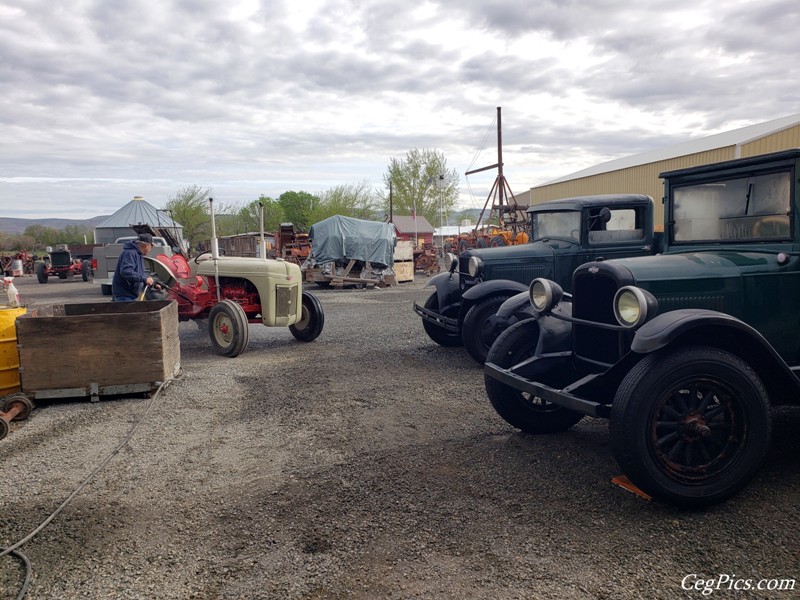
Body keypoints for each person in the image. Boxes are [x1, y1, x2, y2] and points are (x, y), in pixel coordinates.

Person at [112, 233, 155, 302]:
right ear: (147, 245)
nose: (151, 249)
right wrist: (144, 279)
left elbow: (139, 274)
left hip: (130, 295)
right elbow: (126, 272)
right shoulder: (130, 253)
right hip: (125, 296)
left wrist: (152, 284)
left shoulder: (138, 254)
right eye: (152, 246)